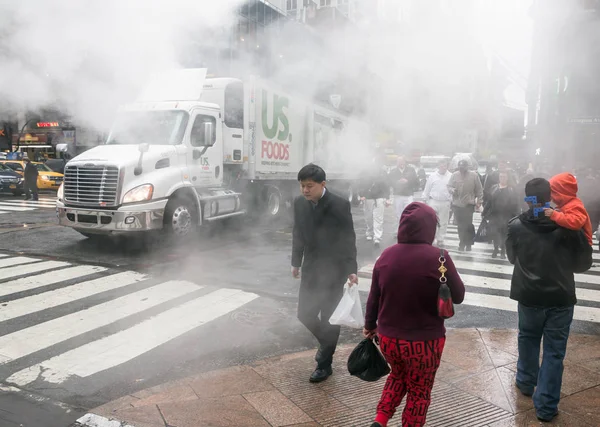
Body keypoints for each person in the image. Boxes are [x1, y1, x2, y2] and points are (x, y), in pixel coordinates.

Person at [364, 202, 465, 427]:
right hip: (425, 342)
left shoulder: (386, 256)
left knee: (397, 376)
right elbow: (458, 296)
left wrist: (370, 324)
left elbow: (374, 296)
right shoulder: (440, 257)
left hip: (389, 339)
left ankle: (380, 420)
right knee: (419, 391)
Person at [507, 178, 592, 423]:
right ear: (551, 197)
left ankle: (525, 381)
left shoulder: (515, 226)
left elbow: (513, 258)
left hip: (528, 294)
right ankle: (545, 407)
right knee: (554, 352)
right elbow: (582, 264)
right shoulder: (569, 226)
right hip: (560, 296)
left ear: (528, 198)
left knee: (528, 337)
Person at [291, 164, 358, 383]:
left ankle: (324, 365)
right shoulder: (299, 203)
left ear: (323, 184)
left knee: (330, 318)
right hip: (311, 267)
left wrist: (351, 270)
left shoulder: (340, 204)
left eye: (309, 186)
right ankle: (328, 345)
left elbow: (349, 238)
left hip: (334, 268)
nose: (305, 190)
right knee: (305, 313)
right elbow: (298, 234)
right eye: (302, 186)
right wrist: (296, 262)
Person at [543, 172, 593, 246]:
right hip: (575, 244)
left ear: (562, 193)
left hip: (582, 247)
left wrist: (555, 215)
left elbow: (575, 222)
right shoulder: (565, 205)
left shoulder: (575, 205)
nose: (551, 196)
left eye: (553, 192)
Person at [447, 159, 483, 251]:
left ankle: (469, 243)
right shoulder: (454, 175)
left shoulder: (474, 176)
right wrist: (452, 190)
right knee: (460, 225)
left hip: (468, 204)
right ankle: (462, 242)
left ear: (467, 167)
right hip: (457, 204)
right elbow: (449, 186)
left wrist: (479, 201)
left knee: (468, 225)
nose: (462, 169)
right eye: (460, 168)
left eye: (464, 168)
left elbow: (479, 189)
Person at [483, 171, 520, 259]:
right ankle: (495, 249)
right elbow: (489, 201)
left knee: (504, 234)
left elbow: (516, 203)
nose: (502, 178)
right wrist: (484, 212)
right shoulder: (494, 188)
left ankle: (503, 250)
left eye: (504, 176)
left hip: (506, 215)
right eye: (501, 176)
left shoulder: (511, 189)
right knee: (495, 233)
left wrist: (517, 214)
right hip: (494, 214)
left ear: (507, 178)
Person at [359, 158, 390, 247]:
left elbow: (386, 186)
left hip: (380, 198)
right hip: (368, 197)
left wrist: (387, 198)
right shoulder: (364, 173)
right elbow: (360, 184)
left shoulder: (383, 174)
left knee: (378, 218)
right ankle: (369, 232)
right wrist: (361, 195)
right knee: (368, 217)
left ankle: (377, 237)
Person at [422, 158, 452, 247]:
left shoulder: (451, 176)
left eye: (445, 166)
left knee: (443, 222)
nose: (443, 167)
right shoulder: (432, 176)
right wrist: (424, 199)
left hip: (445, 201)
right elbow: (427, 188)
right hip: (433, 201)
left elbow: (454, 188)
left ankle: (440, 239)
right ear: (438, 166)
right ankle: (431, 237)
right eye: (441, 166)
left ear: (447, 166)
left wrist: (451, 198)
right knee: (432, 221)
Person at [388, 156, 419, 222]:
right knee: (398, 214)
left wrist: (408, 181)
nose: (401, 163)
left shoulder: (411, 170)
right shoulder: (393, 171)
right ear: (396, 163)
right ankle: (400, 229)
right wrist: (397, 182)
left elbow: (416, 181)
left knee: (409, 212)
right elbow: (389, 182)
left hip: (408, 195)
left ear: (405, 162)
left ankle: (407, 228)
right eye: (399, 161)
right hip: (398, 195)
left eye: (402, 161)